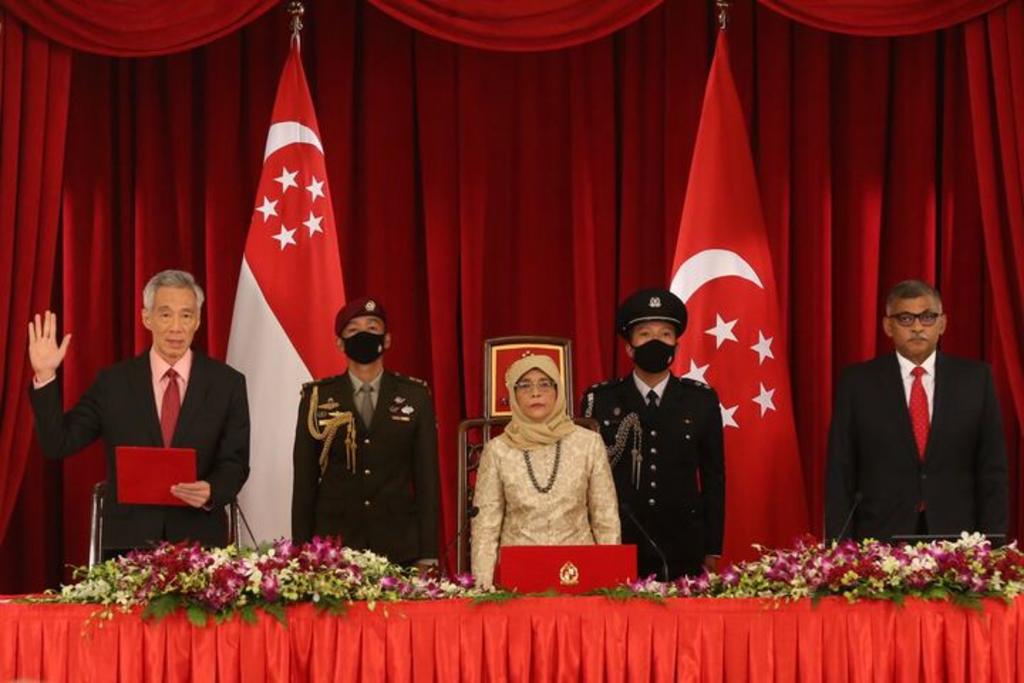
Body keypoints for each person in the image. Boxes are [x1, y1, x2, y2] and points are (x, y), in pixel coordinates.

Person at [27, 269, 250, 554]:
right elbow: (58, 443)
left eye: (186, 315)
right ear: (147, 318)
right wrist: (45, 376)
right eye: (165, 314)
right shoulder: (113, 383)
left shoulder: (227, 384)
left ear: (198, 320)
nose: (176, 327)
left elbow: (236, 463)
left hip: (199, 543)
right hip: (127, 545)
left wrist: (212, 490)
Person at [826, 279, 1008, 541]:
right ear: (888, 326)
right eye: (906, 319)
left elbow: (993, 470)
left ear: (942, 323)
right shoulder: (858, 383)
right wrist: (839, 549)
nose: (918, 328)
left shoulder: (976, 380)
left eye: (928, 317)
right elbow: (840, 472)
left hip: (959, 538)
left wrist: (993, 546)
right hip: (880, 537)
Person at [582, 288, 725, 579]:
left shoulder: (701, 400)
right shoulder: (601, 400)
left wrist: (712, 547)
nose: (656, 342)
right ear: (629, 347)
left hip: (683, 542)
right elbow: (584, 478)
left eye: (665, 335)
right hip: (618, 538)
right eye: (645, 335)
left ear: (676, 346)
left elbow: (713, 477)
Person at [292, 297, 439, 568]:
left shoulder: (415, 396)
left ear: (387, 339)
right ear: (339, 342)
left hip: (399, 546)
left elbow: (427, 481)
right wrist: (301, 552)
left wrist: (429, 553)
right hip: (334, 548)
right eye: (353, 330)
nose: (363, 335)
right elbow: (304, 484)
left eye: (372, 328)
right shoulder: (316, 398)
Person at [471, 354, 620, 588]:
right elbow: (485, 526)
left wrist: (610, 581)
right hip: (518, 578)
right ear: (513, 395)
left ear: (558, 391)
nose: (535, 393)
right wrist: (483, 587)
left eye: (544, 384)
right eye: (525, 385)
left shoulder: (588, 443)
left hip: (579, 574)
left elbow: (606, 517)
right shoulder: (497, 450)